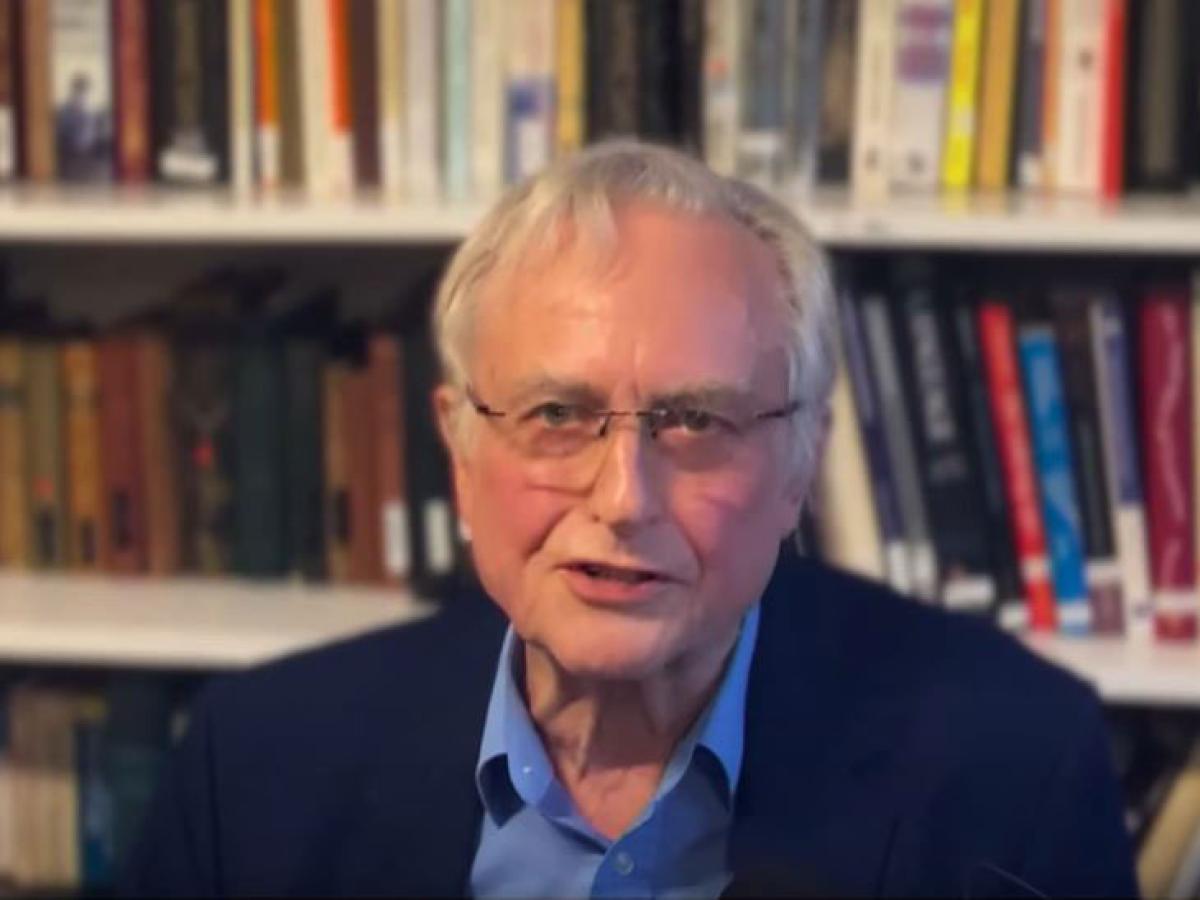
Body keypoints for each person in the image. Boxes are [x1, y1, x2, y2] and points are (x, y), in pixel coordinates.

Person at [125, 141, 1135, 897]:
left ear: (800, 463)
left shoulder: (1018, 773)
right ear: (463, 450)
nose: (623, 499)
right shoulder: (252, 767)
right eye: (556, 415)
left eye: (695, 420)